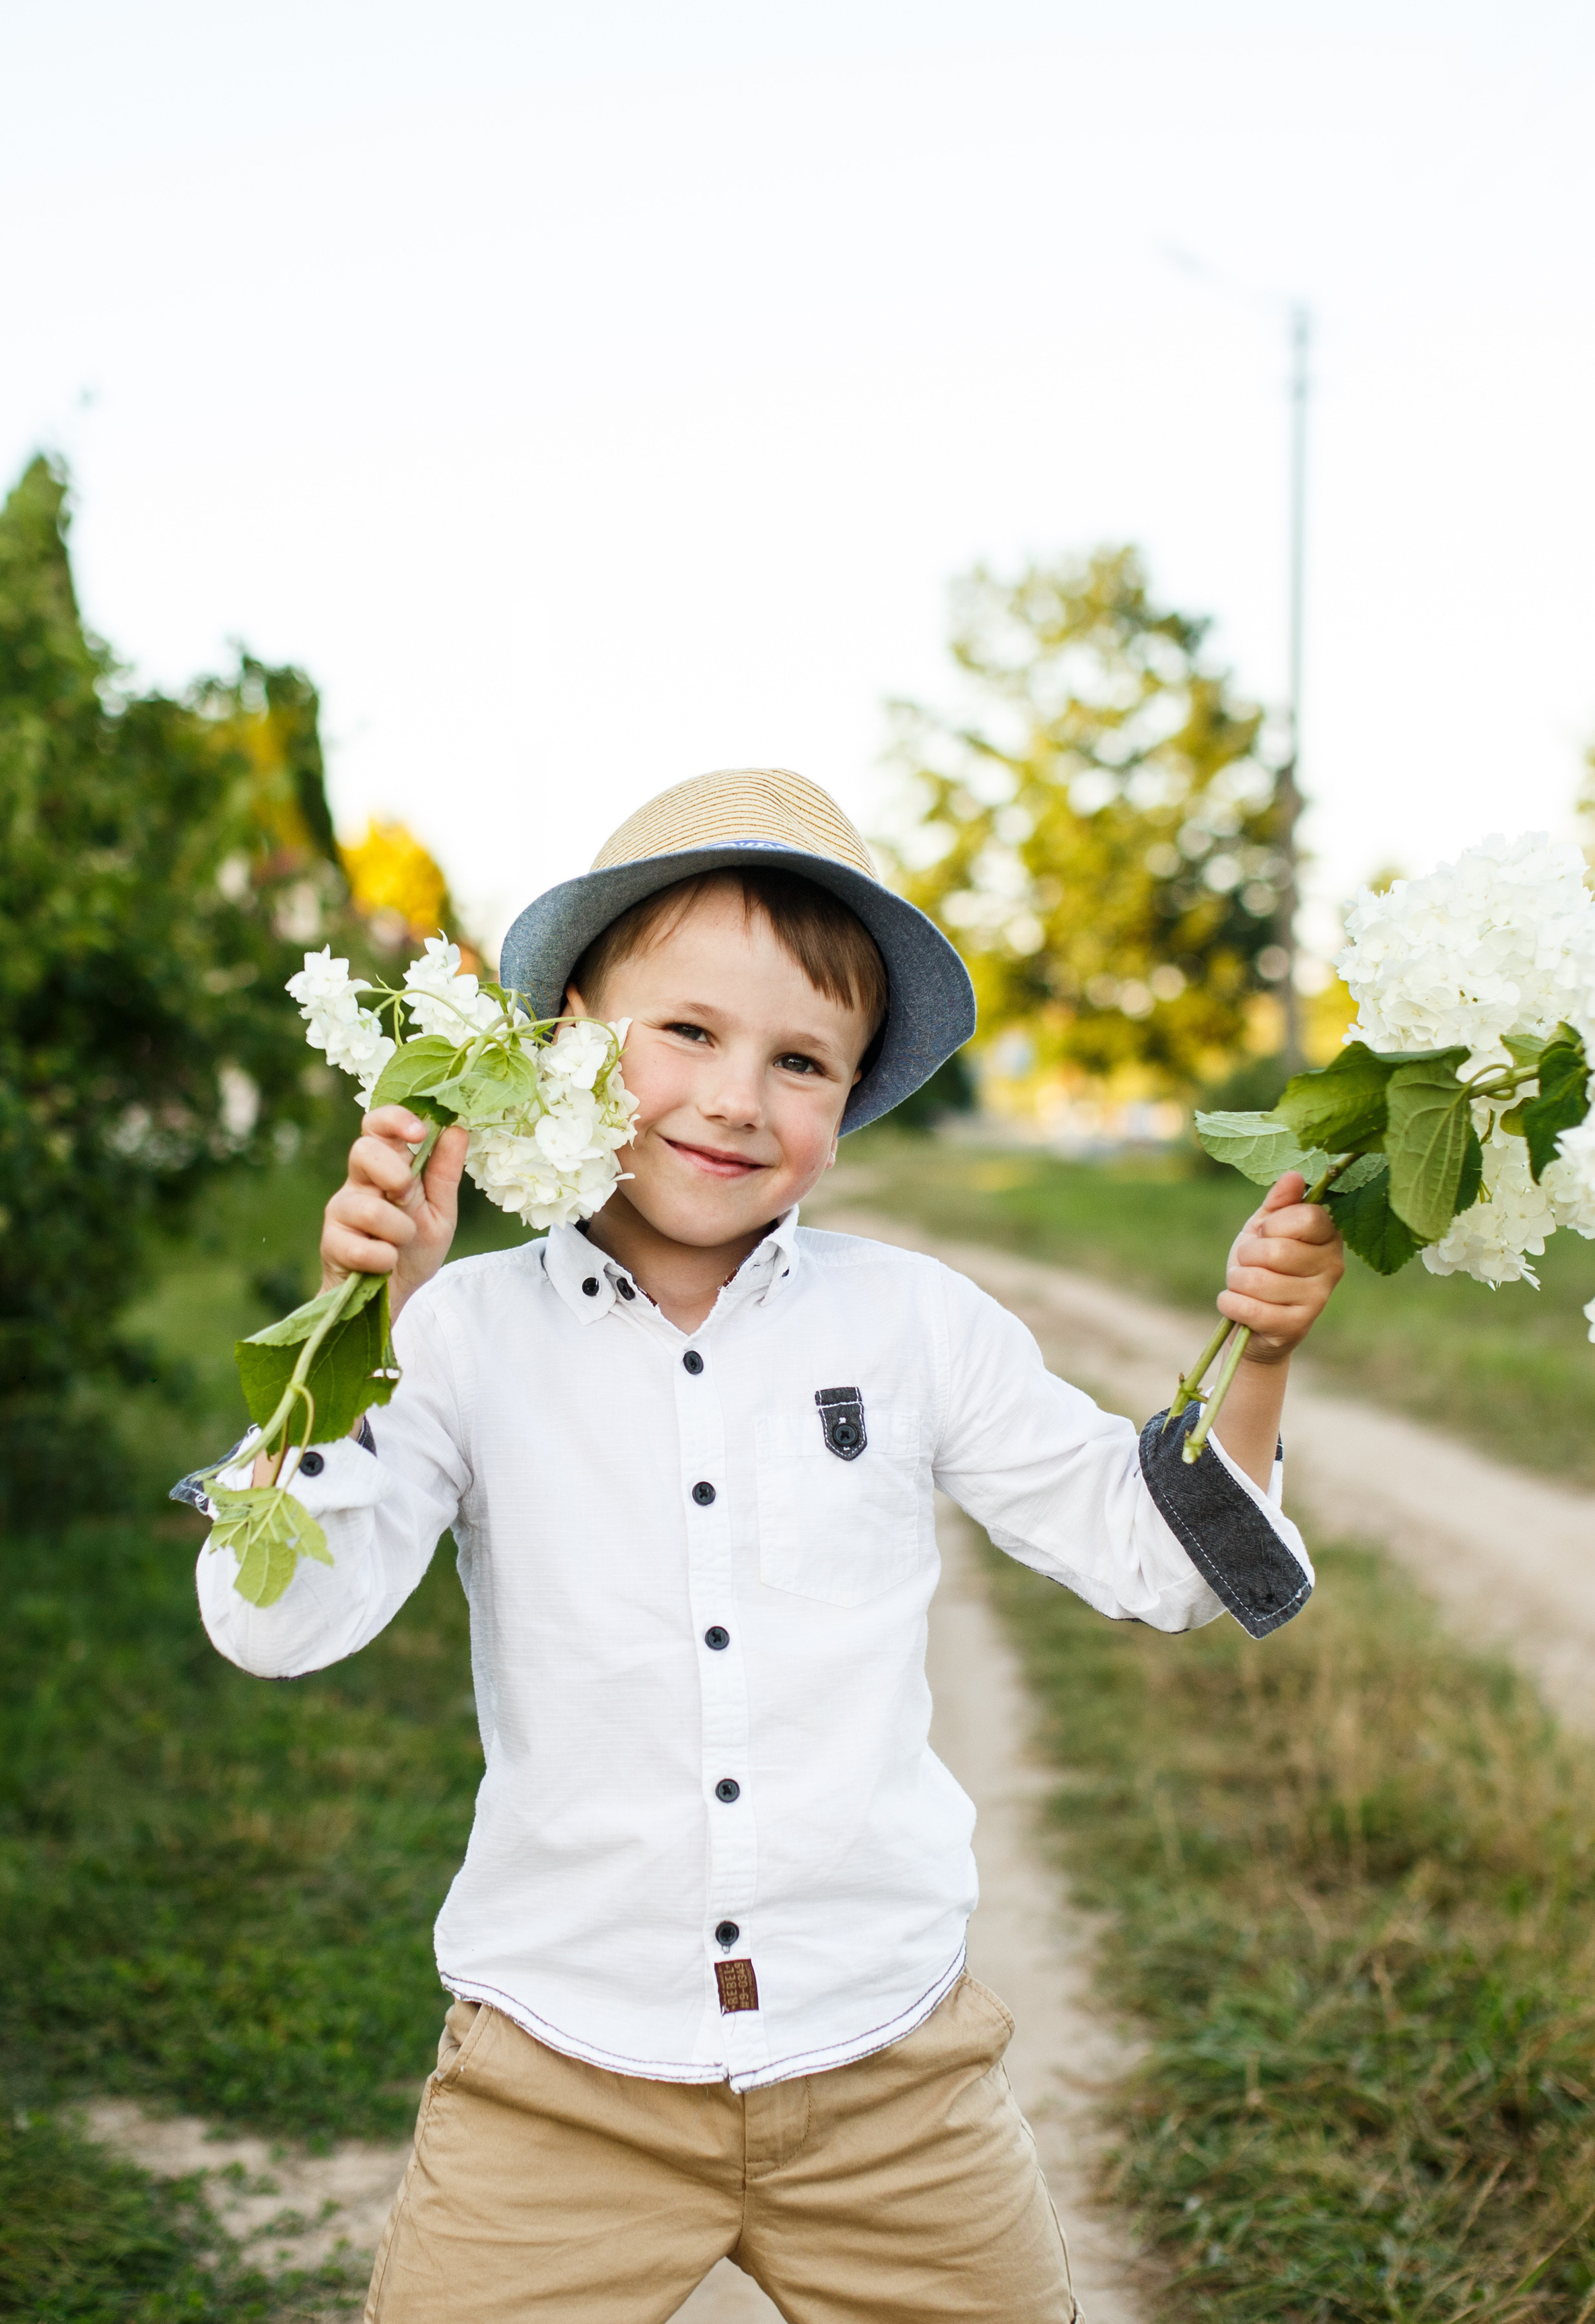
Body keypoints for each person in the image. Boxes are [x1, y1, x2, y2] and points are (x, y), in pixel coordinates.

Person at [195, 767, 1344, 2323]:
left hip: (888, 2071)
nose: (736, 1098)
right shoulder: (458, 1331)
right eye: (685, 1033)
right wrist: (363, 1326)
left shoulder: (914, 1321)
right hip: (559, 2073)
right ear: (567, 1038)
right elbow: (274, 1622)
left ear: (854, 1096)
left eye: (801, 1059)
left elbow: (1157, 1560)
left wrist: (1254, 1350)